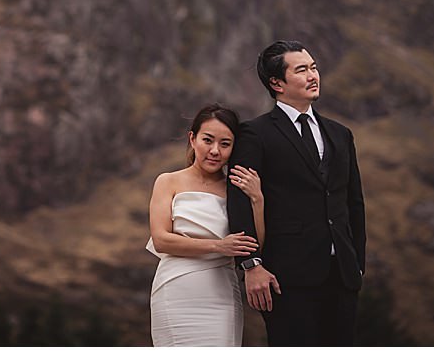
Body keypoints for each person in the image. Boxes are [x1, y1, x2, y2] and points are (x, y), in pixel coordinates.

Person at [226, 40, 366, 346]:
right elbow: (239, 199)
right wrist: (251, 264)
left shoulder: (341, 134)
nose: (313, 75)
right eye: (301, 70)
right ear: (277, 82)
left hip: (342, 274)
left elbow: (353, 201)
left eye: (314, 67)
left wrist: (357, 262)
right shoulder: (255, 133)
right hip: (285, 276)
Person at [147, 103, 265, 346]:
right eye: (208, 140)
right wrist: (218, 246)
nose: (215, 151)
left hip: (221, 293)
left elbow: (256, 244)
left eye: (225, 144)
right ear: (193, 138)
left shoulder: (236, 189)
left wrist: (257, 199)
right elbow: (161, 239)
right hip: (175, 288)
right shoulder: (168, 181)